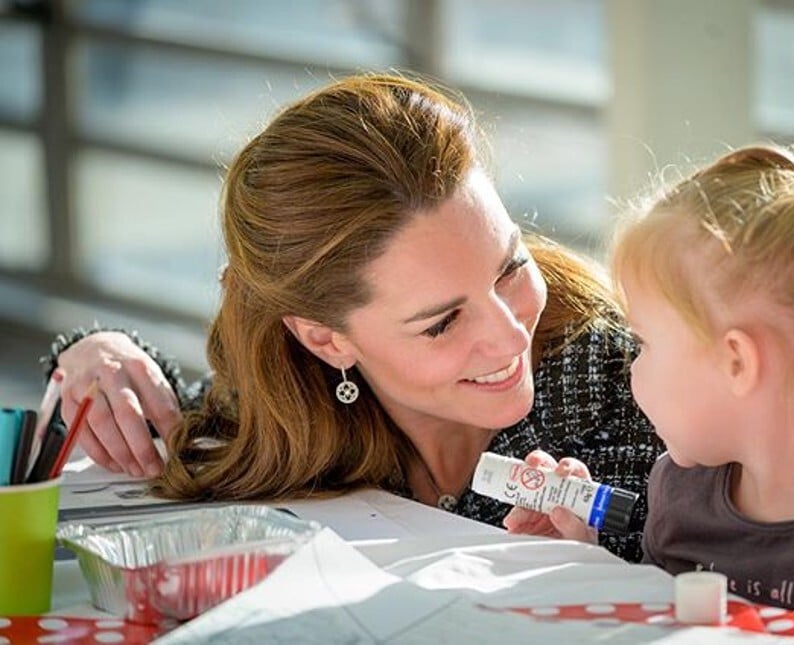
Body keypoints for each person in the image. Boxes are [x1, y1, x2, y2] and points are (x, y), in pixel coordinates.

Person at [44, 72, 663, 563]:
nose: (508, 333)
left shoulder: (643, 392)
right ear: (323, 339)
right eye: (442, 322)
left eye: (508, 267)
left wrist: (588, 579)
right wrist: (91, 351)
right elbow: (181, 414)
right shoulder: (290, 401)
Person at [506, 112, 794, 640]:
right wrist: (587, 562)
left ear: (737, 363)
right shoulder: (679, 491)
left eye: (645, 344)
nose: (630, 368)